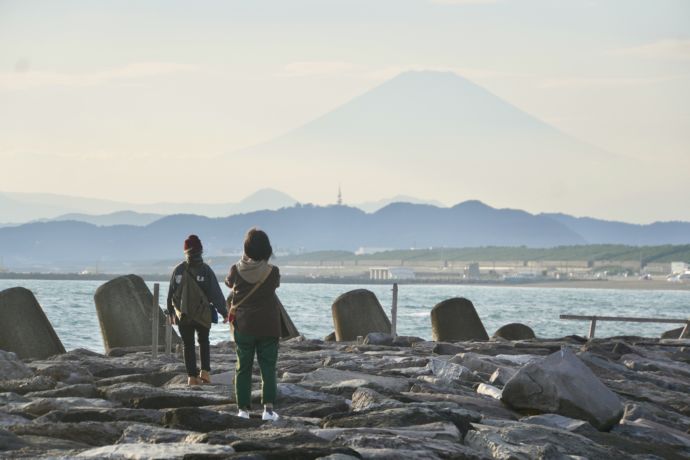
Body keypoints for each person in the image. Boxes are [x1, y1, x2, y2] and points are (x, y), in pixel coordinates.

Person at [225, 228, 281, 421]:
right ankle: (268, 410)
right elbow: (275, 285)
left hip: (244, 325)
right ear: (267, 248)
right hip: (269, 326)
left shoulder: (235, 269)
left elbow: (228, 283)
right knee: (268, 367)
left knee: (243, 367)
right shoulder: (273, 272)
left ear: (246, 248)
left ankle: (243, 410)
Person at [167, 234, 228, 386]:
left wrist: (171, 313)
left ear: (185, 251)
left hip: (184, 314)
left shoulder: (178, 270)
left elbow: (171, 295)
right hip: (203, 314)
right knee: (204, 342)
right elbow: (216, 295)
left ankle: (191, 377)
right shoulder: (206, 270)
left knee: (188, 345)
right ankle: (205, 373)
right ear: (201, 251)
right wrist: (225, 313)